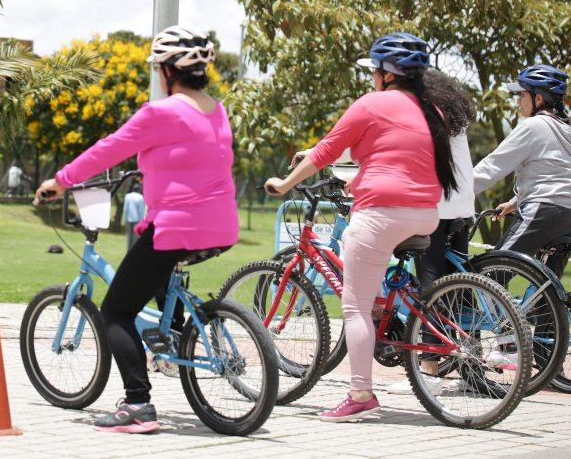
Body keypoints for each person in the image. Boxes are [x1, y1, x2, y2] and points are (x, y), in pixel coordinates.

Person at [35, 26, 237, 434]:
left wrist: (61, 180)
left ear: (166, 71)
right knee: (156, 256)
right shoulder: (216, 110)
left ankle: (138, 404)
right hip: (221, 225)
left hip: (178, 226)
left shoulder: (160, 112)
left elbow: (109, 149)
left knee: (116, 311)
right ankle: (174, 334)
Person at [266, 32, 455, 422]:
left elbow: (325, 151)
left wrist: (284, 185)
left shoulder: (373, 103)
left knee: (354, 308)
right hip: (427, 213)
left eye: (374, 71)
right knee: (377, 292)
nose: (372, 78)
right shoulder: (431, 109)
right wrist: (360, 180)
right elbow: (399, 159)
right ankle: (399, 324)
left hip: (383, 214)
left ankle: (360, 394)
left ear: (387, 74)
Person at [386, 69, 477, 395]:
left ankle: (429, 371)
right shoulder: (454, 116)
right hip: (463, 207)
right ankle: (472, 368)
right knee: (460, 287)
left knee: (431, 287)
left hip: (437, 207)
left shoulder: (423, 112)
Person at [473, 64, 571, 279]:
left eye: (522, 94)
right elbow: (555, 175)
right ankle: (543, 313)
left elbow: (492, 167)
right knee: (545, 291)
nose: (518, 100)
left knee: (489, 276)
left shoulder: (534, 125)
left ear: (538, 99)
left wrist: (456, 190)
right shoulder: (567, 128)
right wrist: (516, 202)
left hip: (545, 210)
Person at [122, 183, 146, 249]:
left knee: (129, 236)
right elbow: (142, 210)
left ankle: (128, 251)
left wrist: (124, 219)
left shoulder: (127, 196)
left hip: (129, 219)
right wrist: (142, 221)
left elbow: (125, 209)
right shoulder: (141, 197)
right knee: (135, 237)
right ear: (139, 190)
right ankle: (134, 250)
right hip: (137, 219)